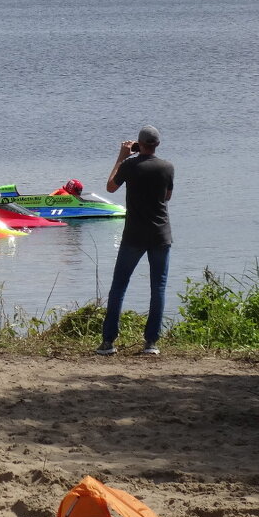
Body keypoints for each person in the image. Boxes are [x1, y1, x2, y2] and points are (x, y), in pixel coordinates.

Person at [97, 126, 175, 357]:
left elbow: (110, 187)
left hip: (134, 236)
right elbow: (167, 196)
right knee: (158, 288)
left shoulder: (130, 165)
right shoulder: (167, 167)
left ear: (139, 145)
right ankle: (151, 343)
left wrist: (122, 157)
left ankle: (108, 342)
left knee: (119, 287)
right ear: (157, 145)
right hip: (161, 234)